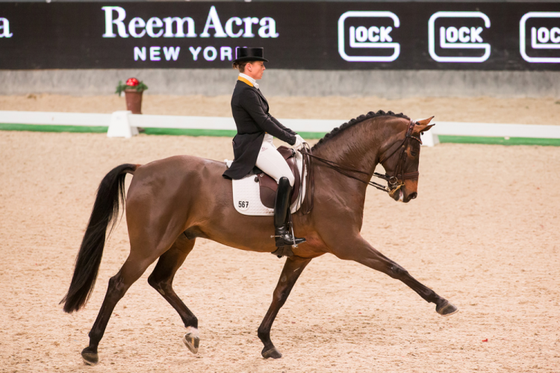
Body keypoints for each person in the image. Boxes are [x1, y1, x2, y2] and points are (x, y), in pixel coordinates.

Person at [222, 47, 306, 250]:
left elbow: (268, 118)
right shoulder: (245, 91)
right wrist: (290, 139)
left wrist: (291, 135)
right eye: (261, 64)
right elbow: (264, 122)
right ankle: (281, 233)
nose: (264, 68)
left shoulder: (250, 88)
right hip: (254, 146)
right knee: (287, 178)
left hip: (262, 142)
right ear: (249, 67)